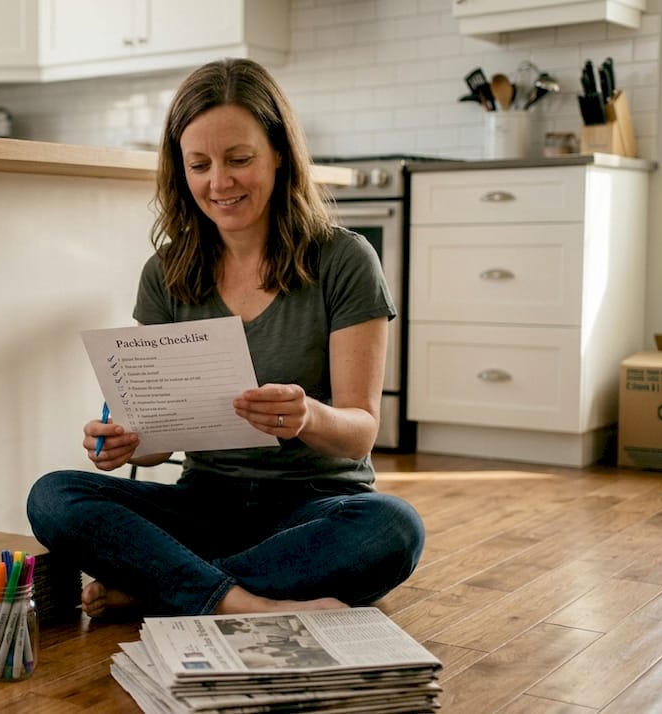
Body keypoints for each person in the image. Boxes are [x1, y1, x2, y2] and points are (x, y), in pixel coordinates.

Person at [25, 58, 425, 619]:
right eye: (199, 165)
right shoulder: (165, 273)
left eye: (239, 159)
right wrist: (122, 442)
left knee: (394, 529)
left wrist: (308, 415)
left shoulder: (345, 260)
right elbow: (157, 443)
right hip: (204, 503)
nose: (219, 183)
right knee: (53, 496)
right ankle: (239, 598)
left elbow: (359, 435)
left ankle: (165, 588)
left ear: (279, 154)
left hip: (312, 508)